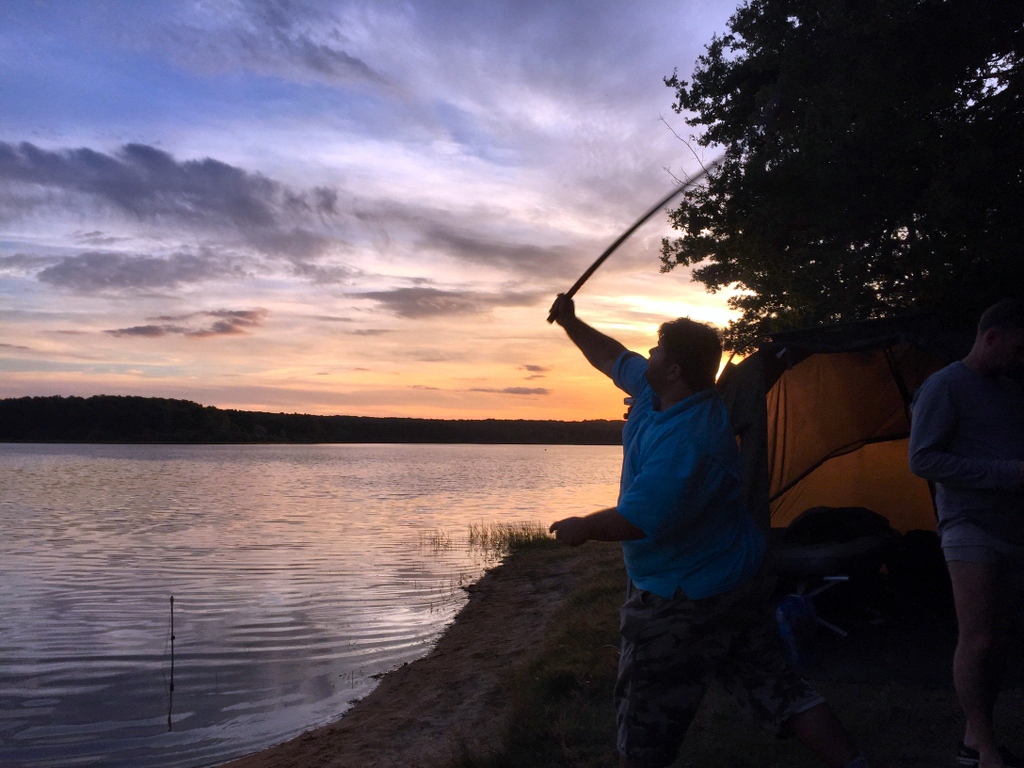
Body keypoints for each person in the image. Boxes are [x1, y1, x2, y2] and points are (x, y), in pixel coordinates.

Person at [547, 294, 864, 768]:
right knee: (776, 687)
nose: (646, 357)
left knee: (644, 727)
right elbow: (612, 358)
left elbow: (639, 519)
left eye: (655, 352)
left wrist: (583, 527)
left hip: (685, 598)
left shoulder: (690, 438)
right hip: (733, 578)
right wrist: (571, 323)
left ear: (673, 369)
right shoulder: (661, 396)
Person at [909, 298, 1024, 768]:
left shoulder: (1011, 391)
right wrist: (1009, 473)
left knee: (999, 639)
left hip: (1013, 526)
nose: (1023, 358)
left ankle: (975, 738)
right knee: (976, 638)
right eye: (1019, 348)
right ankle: (984, 746)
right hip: (968, 526)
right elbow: (923, 460)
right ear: (992, 337)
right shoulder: (945, 386)